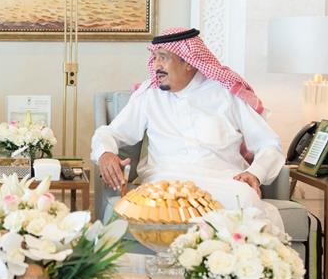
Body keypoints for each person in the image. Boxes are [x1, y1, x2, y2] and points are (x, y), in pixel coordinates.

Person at [91, 27, 285, 229]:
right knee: (163, 208)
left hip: (224, 182)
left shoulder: (225, 93)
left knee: (244, 200)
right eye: (155, 57)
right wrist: (105, 153)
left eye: (164, 58)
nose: (156, 65)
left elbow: (269, 143)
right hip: (167, 185)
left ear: (189, 62)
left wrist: (256, 172)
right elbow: (110, 133)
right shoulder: (149, 95)